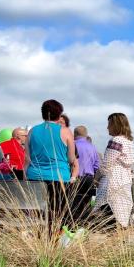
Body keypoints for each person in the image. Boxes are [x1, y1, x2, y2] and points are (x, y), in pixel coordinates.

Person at [25, 99, 78, 233]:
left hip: (35, 176)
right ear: (59, 115)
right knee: (57, 213)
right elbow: (72, 158)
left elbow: (27, 159)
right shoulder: (65, 131)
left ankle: (38, 236)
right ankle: (53, 238)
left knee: (37, 212)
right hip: (59, 177)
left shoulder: (32, 132)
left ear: (43, 113)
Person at [94, 113, 134, 228]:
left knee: (107, 216)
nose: (107, 127)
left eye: (109, 124)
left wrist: (96, 178)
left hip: (112, 182)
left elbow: (106, 164)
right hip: (125, 181)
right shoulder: (129, 141)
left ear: (116, 125)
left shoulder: (116, 140)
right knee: (121, 215)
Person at [71, 125, 100, 226]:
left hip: (75, 178)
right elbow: (97, 165)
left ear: (75, 134)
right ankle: (85, 225)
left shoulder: (72, 144)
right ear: (86, 134)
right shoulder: (92, 147)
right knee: (87, 202)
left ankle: (74, 224)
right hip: (89, 178)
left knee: (73, 202)